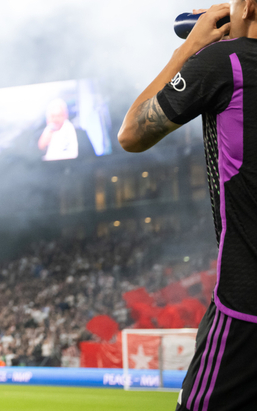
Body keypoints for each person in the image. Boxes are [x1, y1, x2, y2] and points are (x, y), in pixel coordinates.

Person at [119, 2, 257, 410]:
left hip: (245, 308)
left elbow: (132, 133)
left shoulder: (226, 62)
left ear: (248, 7)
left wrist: (188, 49)